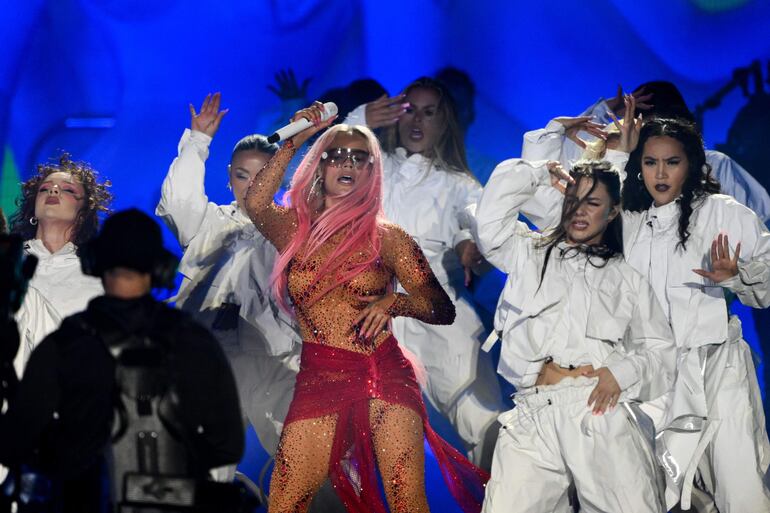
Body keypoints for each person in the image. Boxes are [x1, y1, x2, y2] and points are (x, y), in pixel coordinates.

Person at [245, 102, 488, 513]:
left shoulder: (388, 237)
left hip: (383, 374)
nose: (348, 164)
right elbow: (255, 202)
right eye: (337, 155)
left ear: (371, 173)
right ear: (319, 166)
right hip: (320, 376)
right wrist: (298, 138)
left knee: (407, 500)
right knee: (285, 501)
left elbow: (439, 307)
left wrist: (394, 302)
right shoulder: (293, 229)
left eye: (360, 159)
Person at [0, 208, 244, 512]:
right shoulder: (196, 342)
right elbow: (228, 445)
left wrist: (63, 456)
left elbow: (13, 444)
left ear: (93, 262)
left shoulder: (65, 344)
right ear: (160, 268)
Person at [473, 153, 676, 512]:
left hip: (595, 410)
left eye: (592, 203)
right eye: (572, 201)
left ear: (612, 211)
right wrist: (536, 173)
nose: (579, 211)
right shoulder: (529, 253)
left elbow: (662, 351)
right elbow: (489, 222)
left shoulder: (626, 277)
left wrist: (620, 373)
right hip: (531, 414)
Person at [345, 77, 505, 468]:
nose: (418, 120)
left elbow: (480, 228)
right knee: (351, 432)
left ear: (444, 122)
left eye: (429, 112)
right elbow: (324, 166)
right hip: (372, 314)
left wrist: (474, 248)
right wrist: (358, 119)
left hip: (436, 313)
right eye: (410, 109)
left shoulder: (458, 185)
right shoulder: (374, 171)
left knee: (482, 420)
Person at [615, 111, 770, 511]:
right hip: (652, 377)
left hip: (716, 371)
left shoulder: (723, 213)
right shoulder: (631, 220)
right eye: (650, 162)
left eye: (672, 162)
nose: (660, 173)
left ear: (692, 165)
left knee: (740, 487)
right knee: (651, 490)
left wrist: (737, 275)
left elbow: (766, 283)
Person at [156, 92, 300, 457]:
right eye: (242, 175)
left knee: (307, 466)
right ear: (229, 178)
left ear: (280, 177)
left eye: (263, 175)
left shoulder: (295, 231)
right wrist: (198, 142)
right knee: (201, 464)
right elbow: (178, 200)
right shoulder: (206, 222)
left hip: (278, 360)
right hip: (208, 359)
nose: (252, 185)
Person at [523, 81, 770, 223]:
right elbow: (546, 197)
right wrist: (599, 112)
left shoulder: (713, 166)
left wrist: (732, 279)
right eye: (645, 124)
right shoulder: (616, 167)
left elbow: (758, 223)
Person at [8, 153, 112, 375]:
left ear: (84, 213)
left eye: (68, 190)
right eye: (44, 189)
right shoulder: (8, 260)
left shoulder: (97, 276)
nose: (53, 191)